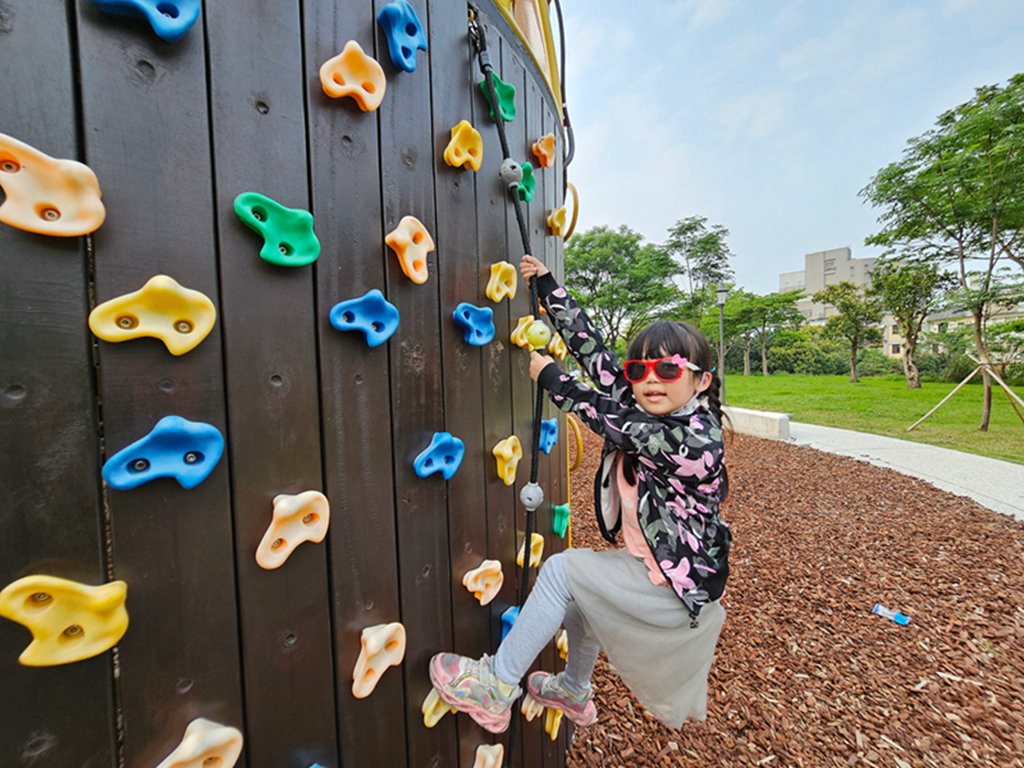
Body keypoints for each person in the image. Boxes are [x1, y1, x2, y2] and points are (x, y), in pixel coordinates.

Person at [429, 255, 731, 733]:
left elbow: (608, 419)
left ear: (701, 380)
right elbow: (599, 360)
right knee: (577, 600)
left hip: (677, 592)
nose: (650, 380)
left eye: (669, 370)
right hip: (653, 571)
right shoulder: (648, 406)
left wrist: (550, 377)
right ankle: (573, 690)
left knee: (561, 570)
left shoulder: (695, 439)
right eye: (641, 368)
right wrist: (549, 289)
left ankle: (495, 688)